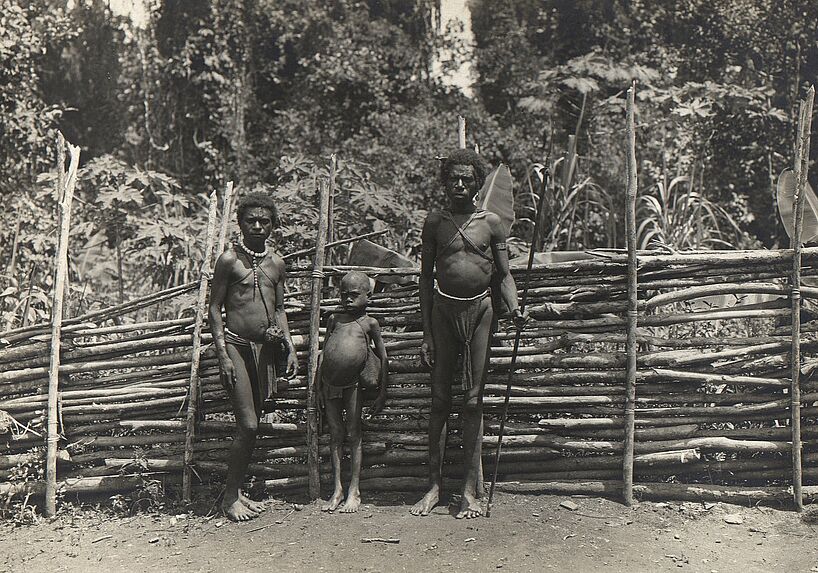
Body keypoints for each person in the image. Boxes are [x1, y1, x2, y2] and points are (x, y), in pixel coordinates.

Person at [410, 149, 525, 519]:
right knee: (440, 399)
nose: (460, 185)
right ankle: (433, 488)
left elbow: (504, 275)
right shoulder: (435, 222)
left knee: (474, 401)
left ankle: (470, 492)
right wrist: (427, 332)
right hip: (443, 313)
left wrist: (515, 307)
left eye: (467, 179)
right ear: (445, 183)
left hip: (481, 312)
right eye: (453, 179)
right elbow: (425, 279)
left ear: (478, 184)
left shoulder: (491, 223)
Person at [208, 191, 298, 522]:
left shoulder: (276, 264)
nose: (258, 226)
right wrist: (223, 356)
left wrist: (288, 346)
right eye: (251, 221)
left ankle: (236, 492)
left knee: (254, 425)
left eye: (264, 221)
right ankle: (229, 498)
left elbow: (281, 309)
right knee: (247, 424)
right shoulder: (229, 260)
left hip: (265, 353)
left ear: (273, 224)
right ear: (240, 223)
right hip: (236, 346)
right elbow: (214, 309)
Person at [316, 271, 388, 513]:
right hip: (330, 383)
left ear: (368, 296)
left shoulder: (370, 323)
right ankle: (336, 489)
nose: (348, 300)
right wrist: (319, 385)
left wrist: (381, 393)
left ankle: (354, 490)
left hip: (354, 385)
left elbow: (383, 358)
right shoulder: (334, 319)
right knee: (336, 434)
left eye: (354, 295)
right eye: (344, 295)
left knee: (354, 433)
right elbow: (325, 351)